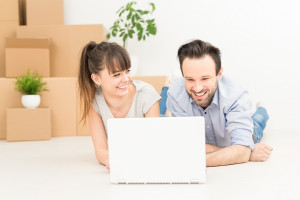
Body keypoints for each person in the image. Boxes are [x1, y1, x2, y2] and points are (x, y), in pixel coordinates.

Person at [166, 39, 273, 167]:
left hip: (243, 133)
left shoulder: (236, 95)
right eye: (190, 79)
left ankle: (262, 109)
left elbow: (242, 151)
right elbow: (187, 145)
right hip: (228, 145)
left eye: (205, 78)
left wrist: (192, 163)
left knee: (258, 121)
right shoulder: (175, 94)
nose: (197, 88)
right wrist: (240, 151)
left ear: (219, 74)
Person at [78, 41, 161, 169]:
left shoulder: (146, 94)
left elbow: (153, 145)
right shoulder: (95, 102)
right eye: (117, 75)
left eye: (127, 71)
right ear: (96, 79)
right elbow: (100, 150)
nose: (126, 78)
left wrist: (130, 160)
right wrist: (114, 161)